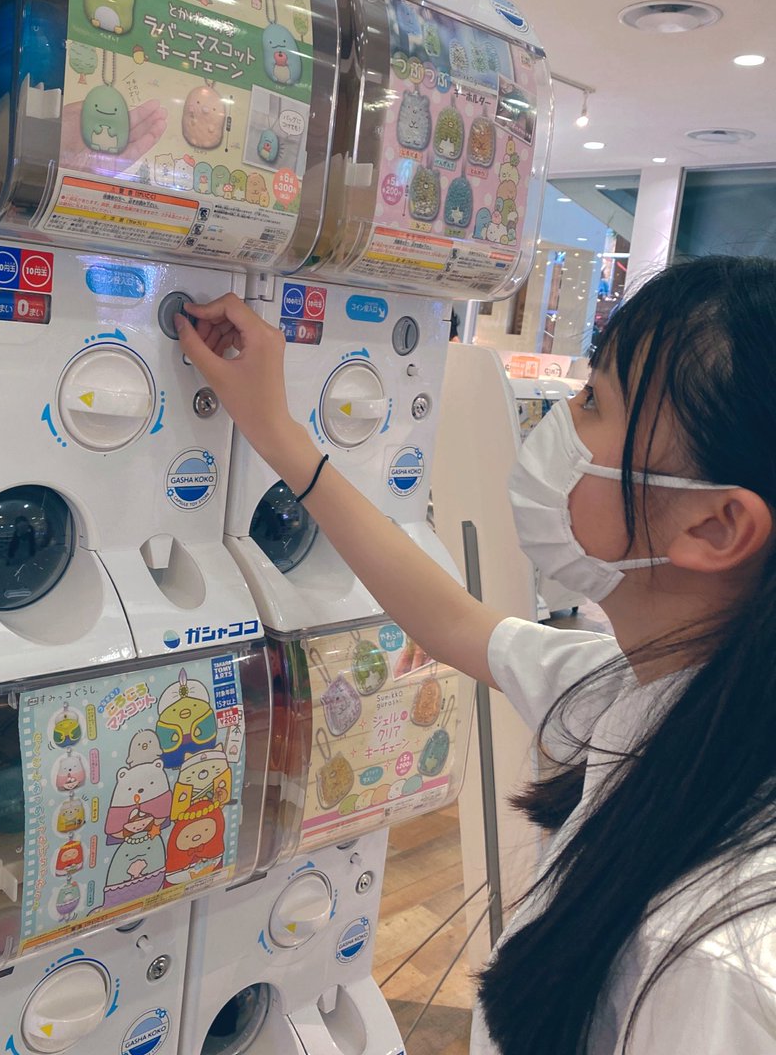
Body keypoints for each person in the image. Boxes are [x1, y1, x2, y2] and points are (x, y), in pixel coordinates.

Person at [174, 254, 776, 1055]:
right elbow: (451, 619)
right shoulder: (652, 695)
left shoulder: (717, 960)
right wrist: (276, 432)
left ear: (716, 527)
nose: (559, 428)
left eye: (593, 403)